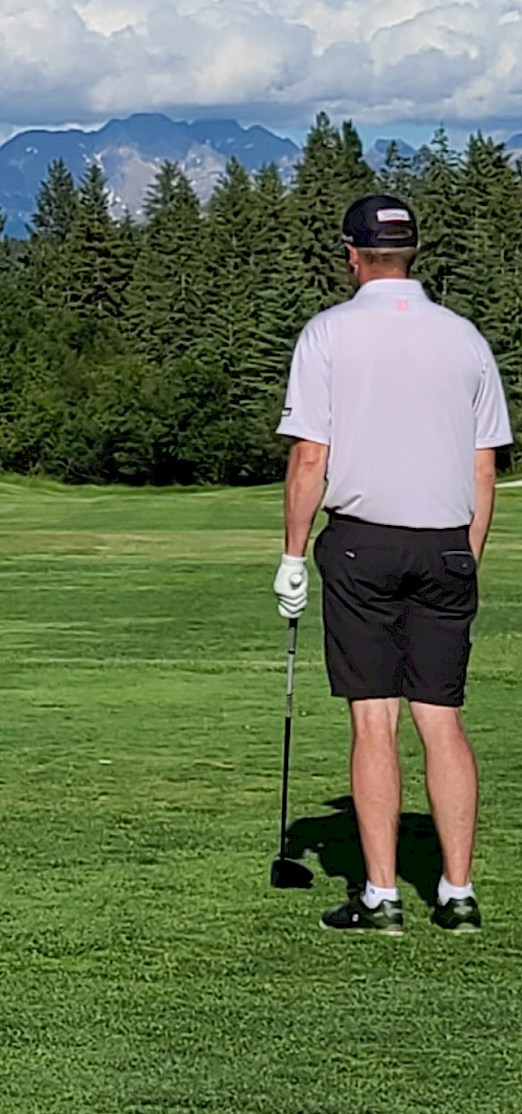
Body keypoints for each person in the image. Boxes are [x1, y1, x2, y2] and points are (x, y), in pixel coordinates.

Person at [276, 194, 509, 934]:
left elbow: (311, 456)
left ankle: (380, 898)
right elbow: (483, 468)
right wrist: (465, 556)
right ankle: (458, 892)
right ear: (412, 254)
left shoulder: (328, 334)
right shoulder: (465, 338)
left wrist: (289, 556)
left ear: (352, 255)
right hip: (446, 542)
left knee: (373, 720)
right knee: (442, 719)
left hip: (361, 543)